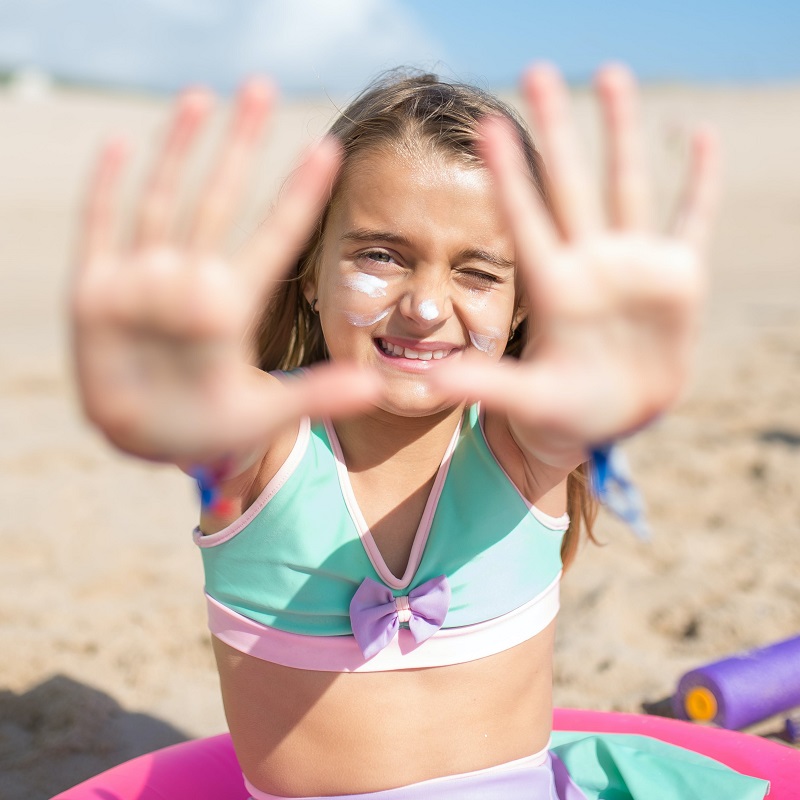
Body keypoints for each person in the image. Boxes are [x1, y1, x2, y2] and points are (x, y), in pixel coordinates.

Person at [71, 62, 768, 799]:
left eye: (477, 273)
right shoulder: (263, 448)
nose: (427, 305)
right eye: (381, 255)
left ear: (524, 304)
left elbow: (570, 415)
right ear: (311, 274)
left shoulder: (521, 450)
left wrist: (612, 388)